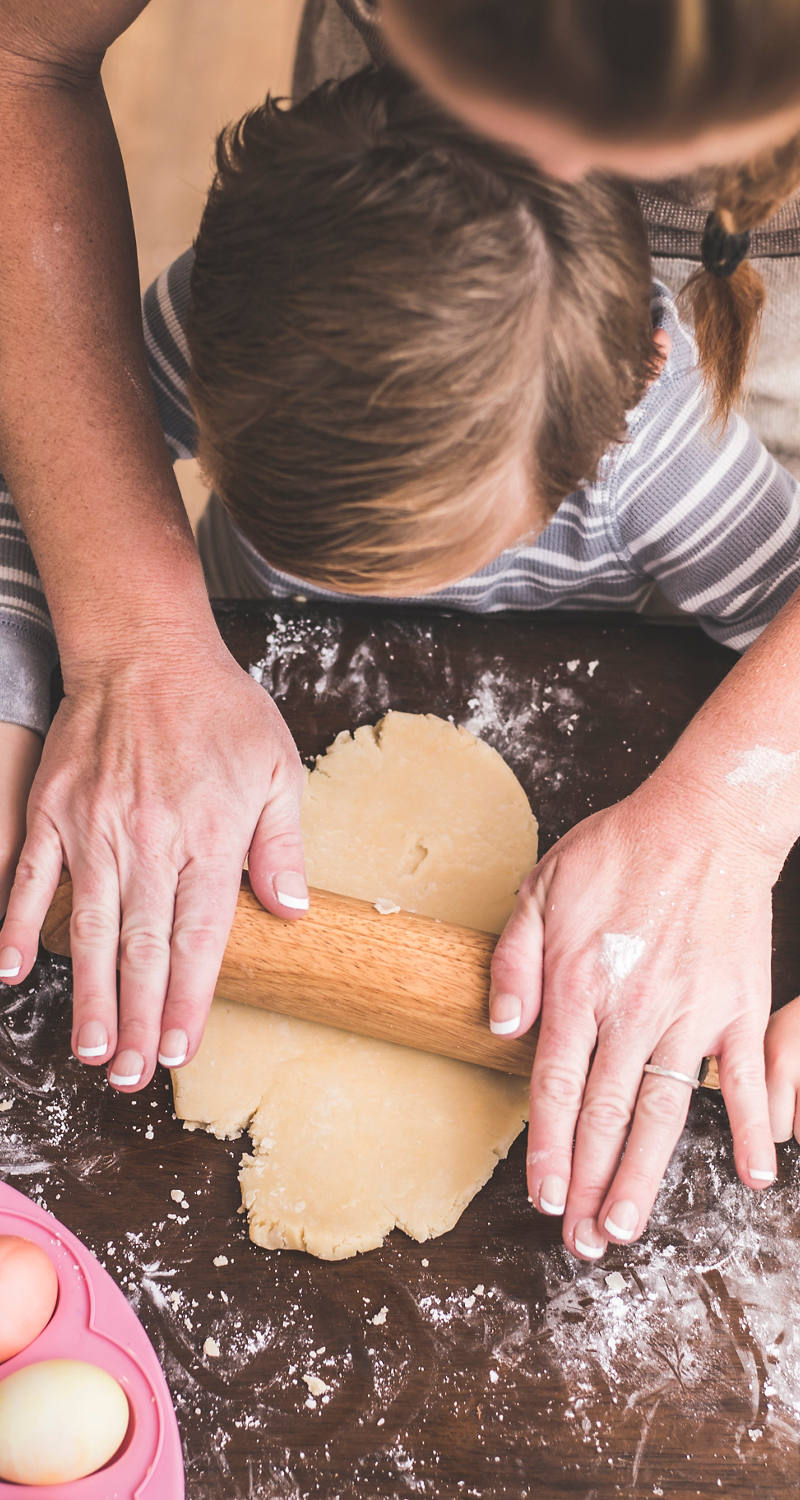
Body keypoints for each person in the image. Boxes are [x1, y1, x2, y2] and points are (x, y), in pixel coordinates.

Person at [2, 1, 800, 1265]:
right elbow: (36, 471)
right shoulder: (224, 315)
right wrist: (112, 653)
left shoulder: (657, 456)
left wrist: (740, 806)